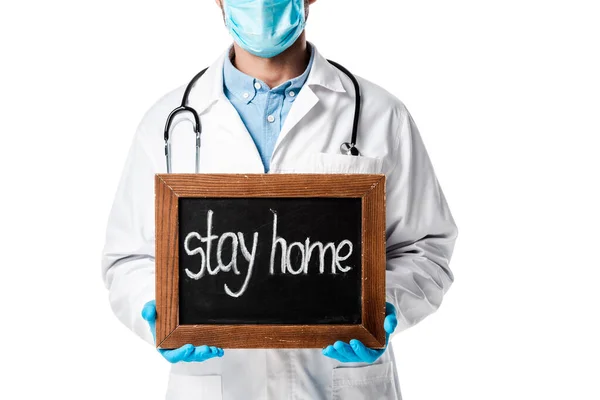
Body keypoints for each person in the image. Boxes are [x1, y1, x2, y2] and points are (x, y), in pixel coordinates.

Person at [101, 0, 458, 398]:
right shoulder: (168, 120)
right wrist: (157, 310)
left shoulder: (379, 114)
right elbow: (128, 258)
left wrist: (380, 306)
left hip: (337, 385)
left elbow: (427, 249)